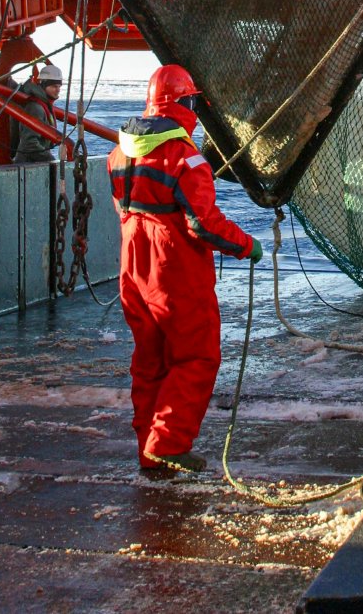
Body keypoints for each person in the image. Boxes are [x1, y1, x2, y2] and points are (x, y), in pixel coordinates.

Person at [107, 64, 263, 476]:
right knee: (196, 356)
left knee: (149, 360)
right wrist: (248, 246)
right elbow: (203, 224)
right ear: (184, 104)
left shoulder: (118, 152)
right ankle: (169, 442)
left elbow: (123, 208)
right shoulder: (186, 159)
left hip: (132, 266)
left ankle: (148, 449)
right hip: (173, 270)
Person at [11, 65, 64, 164]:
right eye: (54, 86)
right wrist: (51, 161)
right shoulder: (35, 108)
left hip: (32, 164)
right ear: (43, 85)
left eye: (59, 86)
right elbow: (29, 143)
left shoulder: (43, 105)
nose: (58, 90)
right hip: (28, 166)